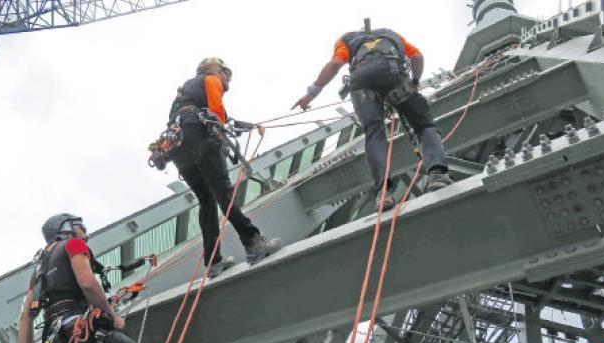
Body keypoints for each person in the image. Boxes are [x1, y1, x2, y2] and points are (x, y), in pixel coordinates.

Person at [14, 213, 197, 343]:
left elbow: (25, 319)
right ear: (66, 228)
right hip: (76, 333)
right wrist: (113, 316)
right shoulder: (73, 245)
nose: (86, 235)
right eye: (81, 228)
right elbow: (87, 284)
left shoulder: (38, 271)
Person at [292, 25, 453, 210]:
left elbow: (335, 64)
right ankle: (437, 174)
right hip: (395, 77)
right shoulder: (393, 35)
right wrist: (414, 82)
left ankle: (383, 193)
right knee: (423, 126)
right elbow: (417, 57)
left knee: (374, 133)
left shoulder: (347, 39)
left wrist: (310, 95)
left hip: (362, 84)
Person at [167, 57, 282, 277]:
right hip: (199, 136)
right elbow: (217, 112)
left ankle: (213, 263)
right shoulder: (210, 79)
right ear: (218, 70)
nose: (228, 79)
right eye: (227, 74)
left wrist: (248, 126)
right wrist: (218, 133)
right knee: (223, 189)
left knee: (207, 201)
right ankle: (253, 243)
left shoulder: (186, 94)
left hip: (178, 146)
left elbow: (222, 117)